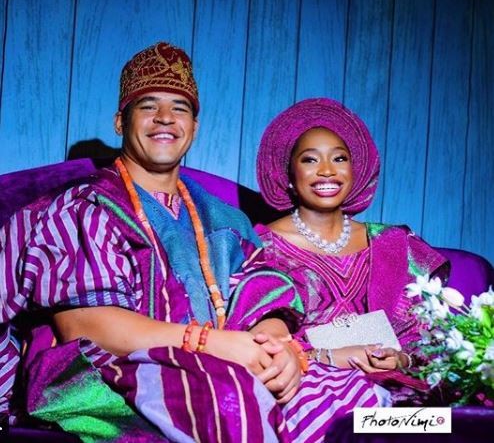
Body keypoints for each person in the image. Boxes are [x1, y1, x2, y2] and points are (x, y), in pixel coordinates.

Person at [0, 42, 305, 442]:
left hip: (227, 363)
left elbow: (263, 293)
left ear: (194, 126)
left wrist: (277, 349)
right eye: (148, 105)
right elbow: (84, 325)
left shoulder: (226, 220)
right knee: (226, 400)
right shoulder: (86, 206)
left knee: (354, 406)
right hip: (106, 374)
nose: (165, 117)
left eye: (180, 108)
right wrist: (214, 346)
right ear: (119, 122)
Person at [255, 98, 450, 442]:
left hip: (400, 394)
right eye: (310, 159)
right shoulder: (262, 246)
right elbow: (257, 341)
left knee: (448, 422)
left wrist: (401, 359)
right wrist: (330, 357)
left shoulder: (393, 243)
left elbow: (430, 337)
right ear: (289, 176)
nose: (327, 170)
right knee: (358, 417)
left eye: (339, 158)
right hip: (311, 391)